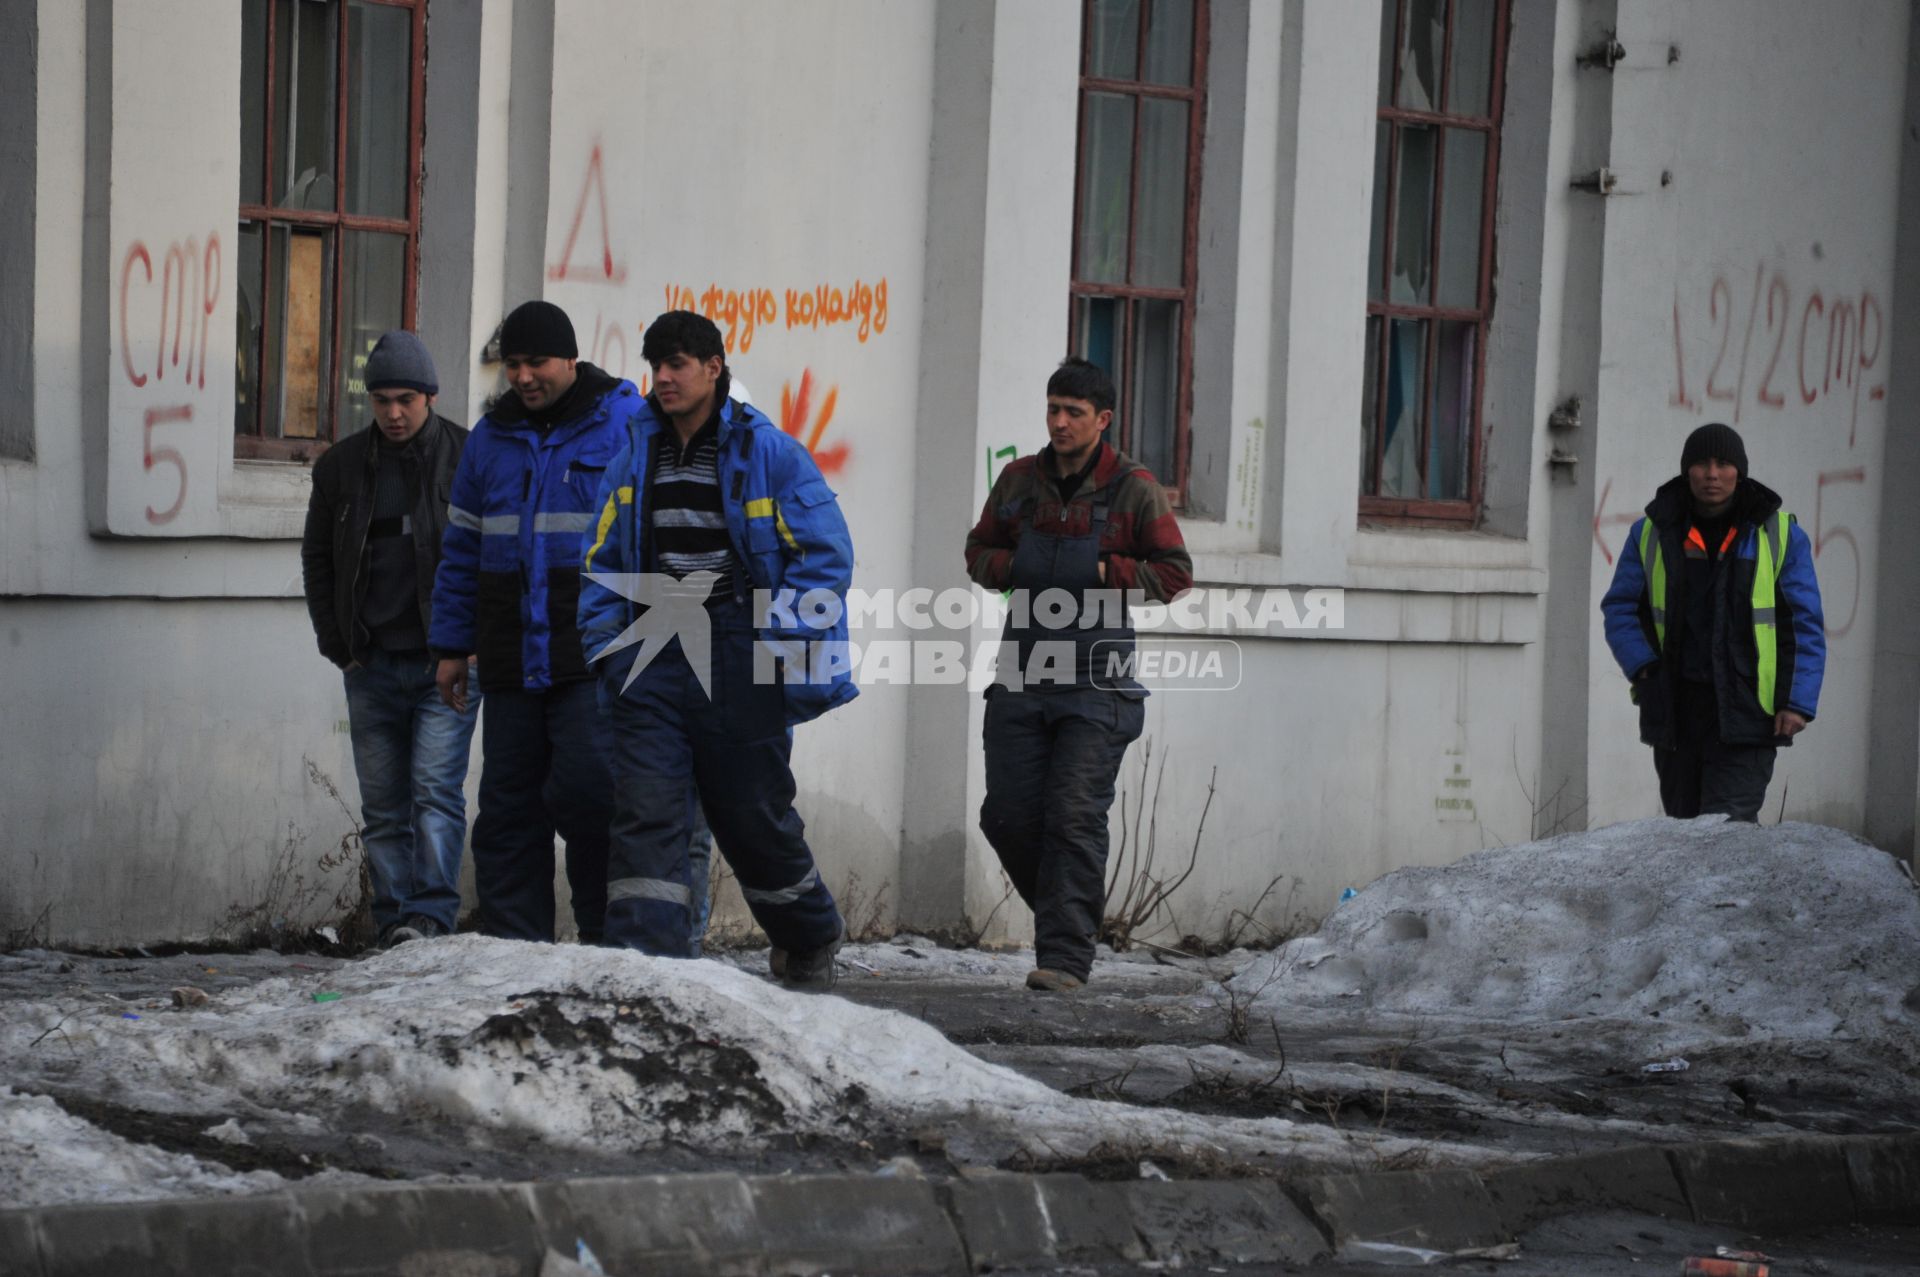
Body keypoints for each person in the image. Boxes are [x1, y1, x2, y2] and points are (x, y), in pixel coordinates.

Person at [578, 310, 857, 988]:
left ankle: (809, 933)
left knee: (750, 815)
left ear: (714, 367)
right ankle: (650, 972)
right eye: (656, 366)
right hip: (654, 648)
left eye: (677, 363)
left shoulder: (771, 452)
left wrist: (779, 643)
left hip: (740, 648)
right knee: (645, 809)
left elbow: (825, 556)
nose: (664, 378)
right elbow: (602, 558)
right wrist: (608, 649)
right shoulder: (634, 455)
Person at [963, 357, 1192, 992]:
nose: (1059, 422)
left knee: (1072, 814)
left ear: (1103, 420)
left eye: (1074, 413)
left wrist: (1098, 573)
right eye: (1052, 409)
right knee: (1007, 815)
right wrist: (1019, 566)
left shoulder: (1134, 488)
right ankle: (1072, 917)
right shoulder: (1018, 481)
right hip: (1023, 671)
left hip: (1098, 680)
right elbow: (977, 552)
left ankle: (1064, 960)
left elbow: (1174, 573)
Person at [429, 300, 635, 943]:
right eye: (512, 364)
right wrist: (451, 647)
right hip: (511, 659)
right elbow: (460, 550)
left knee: (592, 801)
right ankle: (514, 956)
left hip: (592, 660)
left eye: (536, 362)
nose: (522, 377)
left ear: (571, 358)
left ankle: (609, 950)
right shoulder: (490, 439)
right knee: (509, 814)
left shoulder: (625, 423)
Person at [300, 331, 477, 947]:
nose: (394, 413)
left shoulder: (468, 457)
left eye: (406, 399)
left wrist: (471, 644)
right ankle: (394, 922)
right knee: (382, 808)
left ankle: (429, 918)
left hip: (445, 664)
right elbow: (318, 559)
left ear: (430, 395)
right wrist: (338, 644)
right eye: (381, 400)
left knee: (434, 793)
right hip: (370, 663)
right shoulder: (340, 467)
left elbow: (494, 554)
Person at [1601, 422, 1825, 821]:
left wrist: (1796, 702)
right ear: (1687, 470)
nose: (1712, 474)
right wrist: (1646, 670)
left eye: (1723, 463)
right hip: (1676, 711)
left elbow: (1803, 624)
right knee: (1684, 832)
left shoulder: (1779, 534)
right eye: (1702, 463)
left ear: (1740, 471)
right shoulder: (1652, 531)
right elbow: (1620, 609)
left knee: (1727, 832)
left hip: (1749, 712)